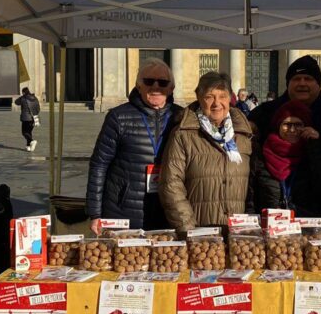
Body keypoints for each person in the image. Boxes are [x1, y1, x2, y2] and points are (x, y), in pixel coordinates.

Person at [87, 59, 183, 232]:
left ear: (171, 88)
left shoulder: (181, 117)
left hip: (167, 211)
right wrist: (95, 214)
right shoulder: (118, 117)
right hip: (123, 211)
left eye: (162, 82)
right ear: (139, 86)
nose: (155, 87)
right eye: (149, 81)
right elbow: (99, 165)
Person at [159, 71, 255, 230]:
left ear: (230, 98)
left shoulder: (244, 133)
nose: (217, 103)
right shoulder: (183, 134)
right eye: (209, 97)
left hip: (238, 235)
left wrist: (249, 228)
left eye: (222, 96)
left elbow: (253, 185)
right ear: (199, 97)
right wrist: (188, 229)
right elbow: (171, 185)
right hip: (199, 234)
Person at [251, 100, 321, 217]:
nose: (292, 130)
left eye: (298, 125)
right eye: (287, 124)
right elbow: (251, 196)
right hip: (270, 223)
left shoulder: (310, 153)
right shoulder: (262, 155)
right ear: (278, 126)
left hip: (305, 224)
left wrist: (314, 147)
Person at [15, 87, 41, 152]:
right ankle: (28, 146)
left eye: (22, 92)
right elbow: (38, 108)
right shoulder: (35, 98)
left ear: (23, 92)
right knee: (29, 132)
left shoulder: (23, 98)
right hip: (33, 118)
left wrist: (22, 96)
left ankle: (32, 141)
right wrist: (35, 114)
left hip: (26, 118)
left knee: (24, 132)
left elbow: (16, 102)